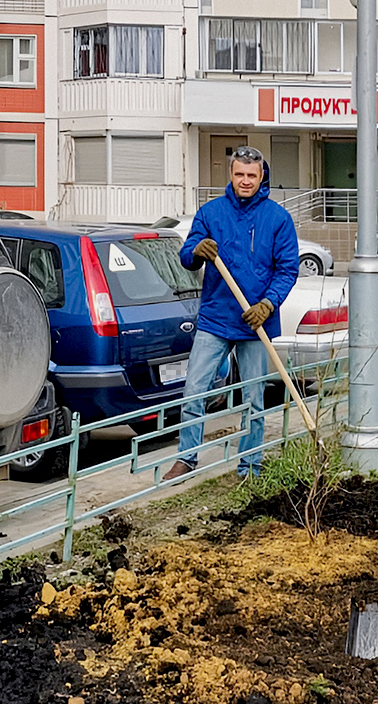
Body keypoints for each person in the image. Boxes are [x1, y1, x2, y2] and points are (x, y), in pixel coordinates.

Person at [163, 146, 299, 482]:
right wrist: (196, 248)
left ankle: (250, 464)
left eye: (251, 175)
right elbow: (186, 256)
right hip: (216, 318)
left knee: (253, 398)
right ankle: (186, 458)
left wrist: (268, 303)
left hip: (255, 322)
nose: (245, 181)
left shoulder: (277, 219)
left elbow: (287, 269)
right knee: (194, 390)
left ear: (262, 175)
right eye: (239, 174)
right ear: (231, 174)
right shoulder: (212, 213)